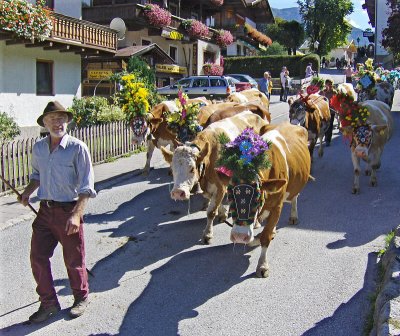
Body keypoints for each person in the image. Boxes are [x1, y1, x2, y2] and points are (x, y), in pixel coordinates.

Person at [19, 101, 96, 323]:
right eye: (52, 118)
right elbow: (36, 175)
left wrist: (76, 215)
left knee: (74, 259)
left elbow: (86, 187)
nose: (57, 122)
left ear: (67, 121)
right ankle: (49, 304)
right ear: (44, 123)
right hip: (45, 211)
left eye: (61, 118)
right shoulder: (39, 148)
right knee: (38, 257)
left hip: (68, 210)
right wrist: (27, 193)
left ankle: (81, 297)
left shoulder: (77, 148)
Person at [319, 79, 337, 146]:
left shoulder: (334, 92)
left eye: (330, 84)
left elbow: (337, 102)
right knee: (324, 125)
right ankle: (325, 135)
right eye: (328, 84)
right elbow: (317, 99)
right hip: (323, 111)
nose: (329, 86)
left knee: (330, 125)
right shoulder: (322, 92)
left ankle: (328, 139)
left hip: (331, 111)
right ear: (325, 85)